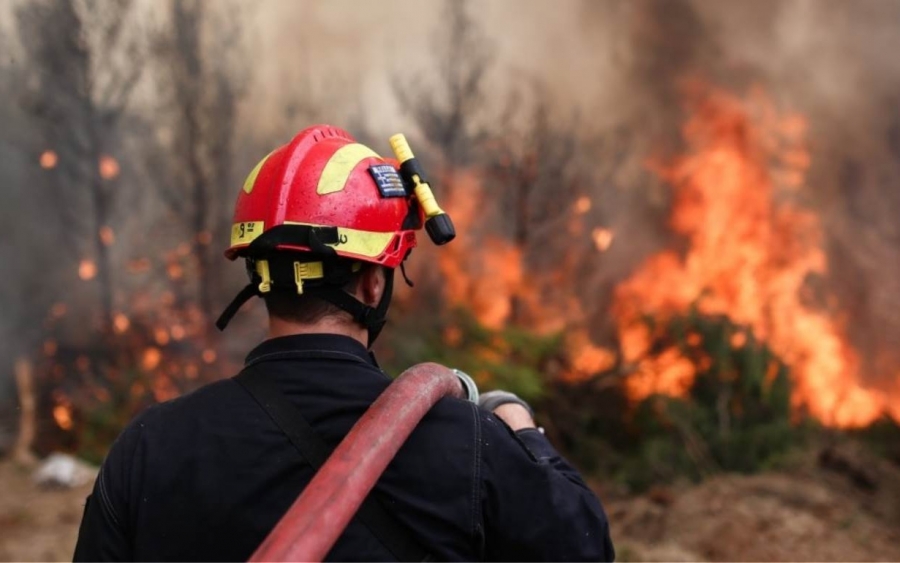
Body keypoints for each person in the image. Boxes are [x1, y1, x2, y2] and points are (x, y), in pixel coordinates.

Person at [73, 125, 615, 562]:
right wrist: (521, 429)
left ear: (259, 275)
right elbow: (585, 547)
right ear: (373, 283)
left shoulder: (149, 447)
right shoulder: (469, 446)